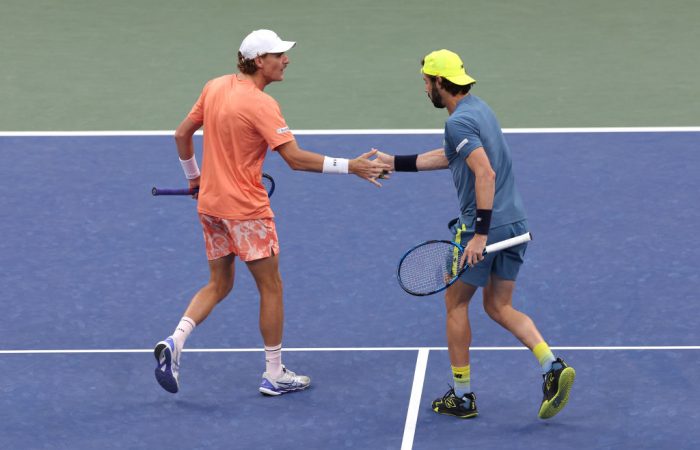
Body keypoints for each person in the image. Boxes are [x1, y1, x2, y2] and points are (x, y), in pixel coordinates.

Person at [154, 29, 391, 397]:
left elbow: (181, 135)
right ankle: (274, 373)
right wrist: (352, 166)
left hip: (211, 207)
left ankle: (176, 340)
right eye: (279, 54)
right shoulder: (262, 105)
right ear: (259, 60)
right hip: (247, 211)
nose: (286, 59)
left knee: (219, 283)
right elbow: (295, 159)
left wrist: (195, 179)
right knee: (271, 287)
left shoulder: (214, 86)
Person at [376, 49, 575, 419]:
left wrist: (479, 236)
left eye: (425, 82)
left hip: (482, 229)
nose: (424, 89)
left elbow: (484, 173)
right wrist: (396, 162)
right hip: (515, 225)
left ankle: (462, 396)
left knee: (455, 303)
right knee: (499, 306)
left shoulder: (457, 123)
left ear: (439, 82)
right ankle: (552, 367)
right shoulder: (479, 110)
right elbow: (452, 155)